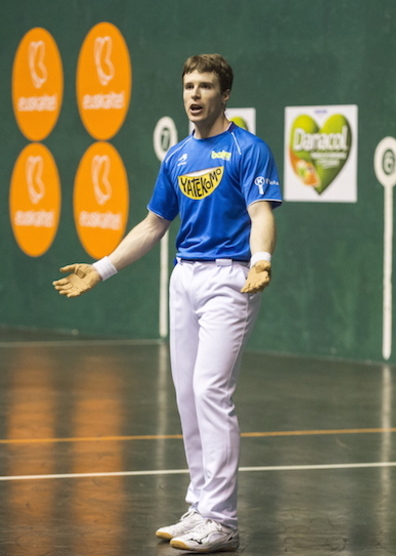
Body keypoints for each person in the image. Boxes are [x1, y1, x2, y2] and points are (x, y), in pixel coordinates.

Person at [53, 53, 282, 552]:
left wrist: (261, 259)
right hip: (185, 280)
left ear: (225, 94)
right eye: (188, 86)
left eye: (205, 86)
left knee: (209, 391)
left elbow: (260, 210)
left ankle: (221, 521)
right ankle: (201, 506)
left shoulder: (248, 149)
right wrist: (102, 267)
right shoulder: (177, 157)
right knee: (186, 396)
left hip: (230, 280)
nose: (194, 95)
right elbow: (155, 224)